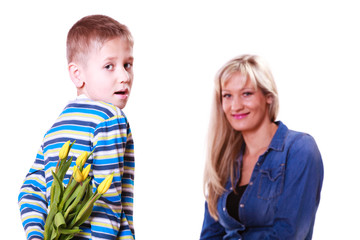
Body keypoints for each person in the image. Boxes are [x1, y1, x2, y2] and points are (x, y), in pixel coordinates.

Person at [18, 15, 135, 240]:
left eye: (127, 64)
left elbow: (30, 191)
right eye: (109, 66)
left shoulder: (55, 128)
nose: (124, 76)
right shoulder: (111, 118)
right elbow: (106, 199)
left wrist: (36, 234)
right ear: (77, 74)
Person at [200, 54, 324, 239]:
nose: (236, 106)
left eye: (246, 94)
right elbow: (210, 234)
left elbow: (289, 234)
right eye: (227, 96)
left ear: (268, 97)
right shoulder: (225, 160)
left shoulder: (299, 149)